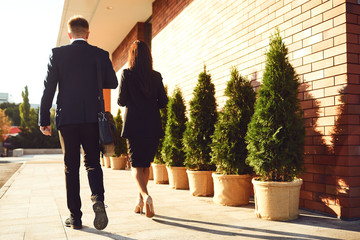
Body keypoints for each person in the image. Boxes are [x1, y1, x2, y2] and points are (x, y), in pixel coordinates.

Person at [39, 16, 118, 230]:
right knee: (93, 162)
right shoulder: (100, 54)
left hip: (67, 119)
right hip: (93, 118)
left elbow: (49, 88)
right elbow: (113, 82)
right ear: (88, 33)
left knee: (70, 167)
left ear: (69, 33)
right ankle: (98, 201)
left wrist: (43, 119)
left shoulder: (58, 54)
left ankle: (75, 218)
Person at [118, 40, 168, 218]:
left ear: (132, 56)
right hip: (152, 125)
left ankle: (146, 197)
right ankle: (140, 202)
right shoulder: (156, 76)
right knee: (145, 164)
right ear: (149, 56)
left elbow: (121, 101)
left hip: (134, 125)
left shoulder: (127, 74)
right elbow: (163, 102)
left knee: (136, 166)